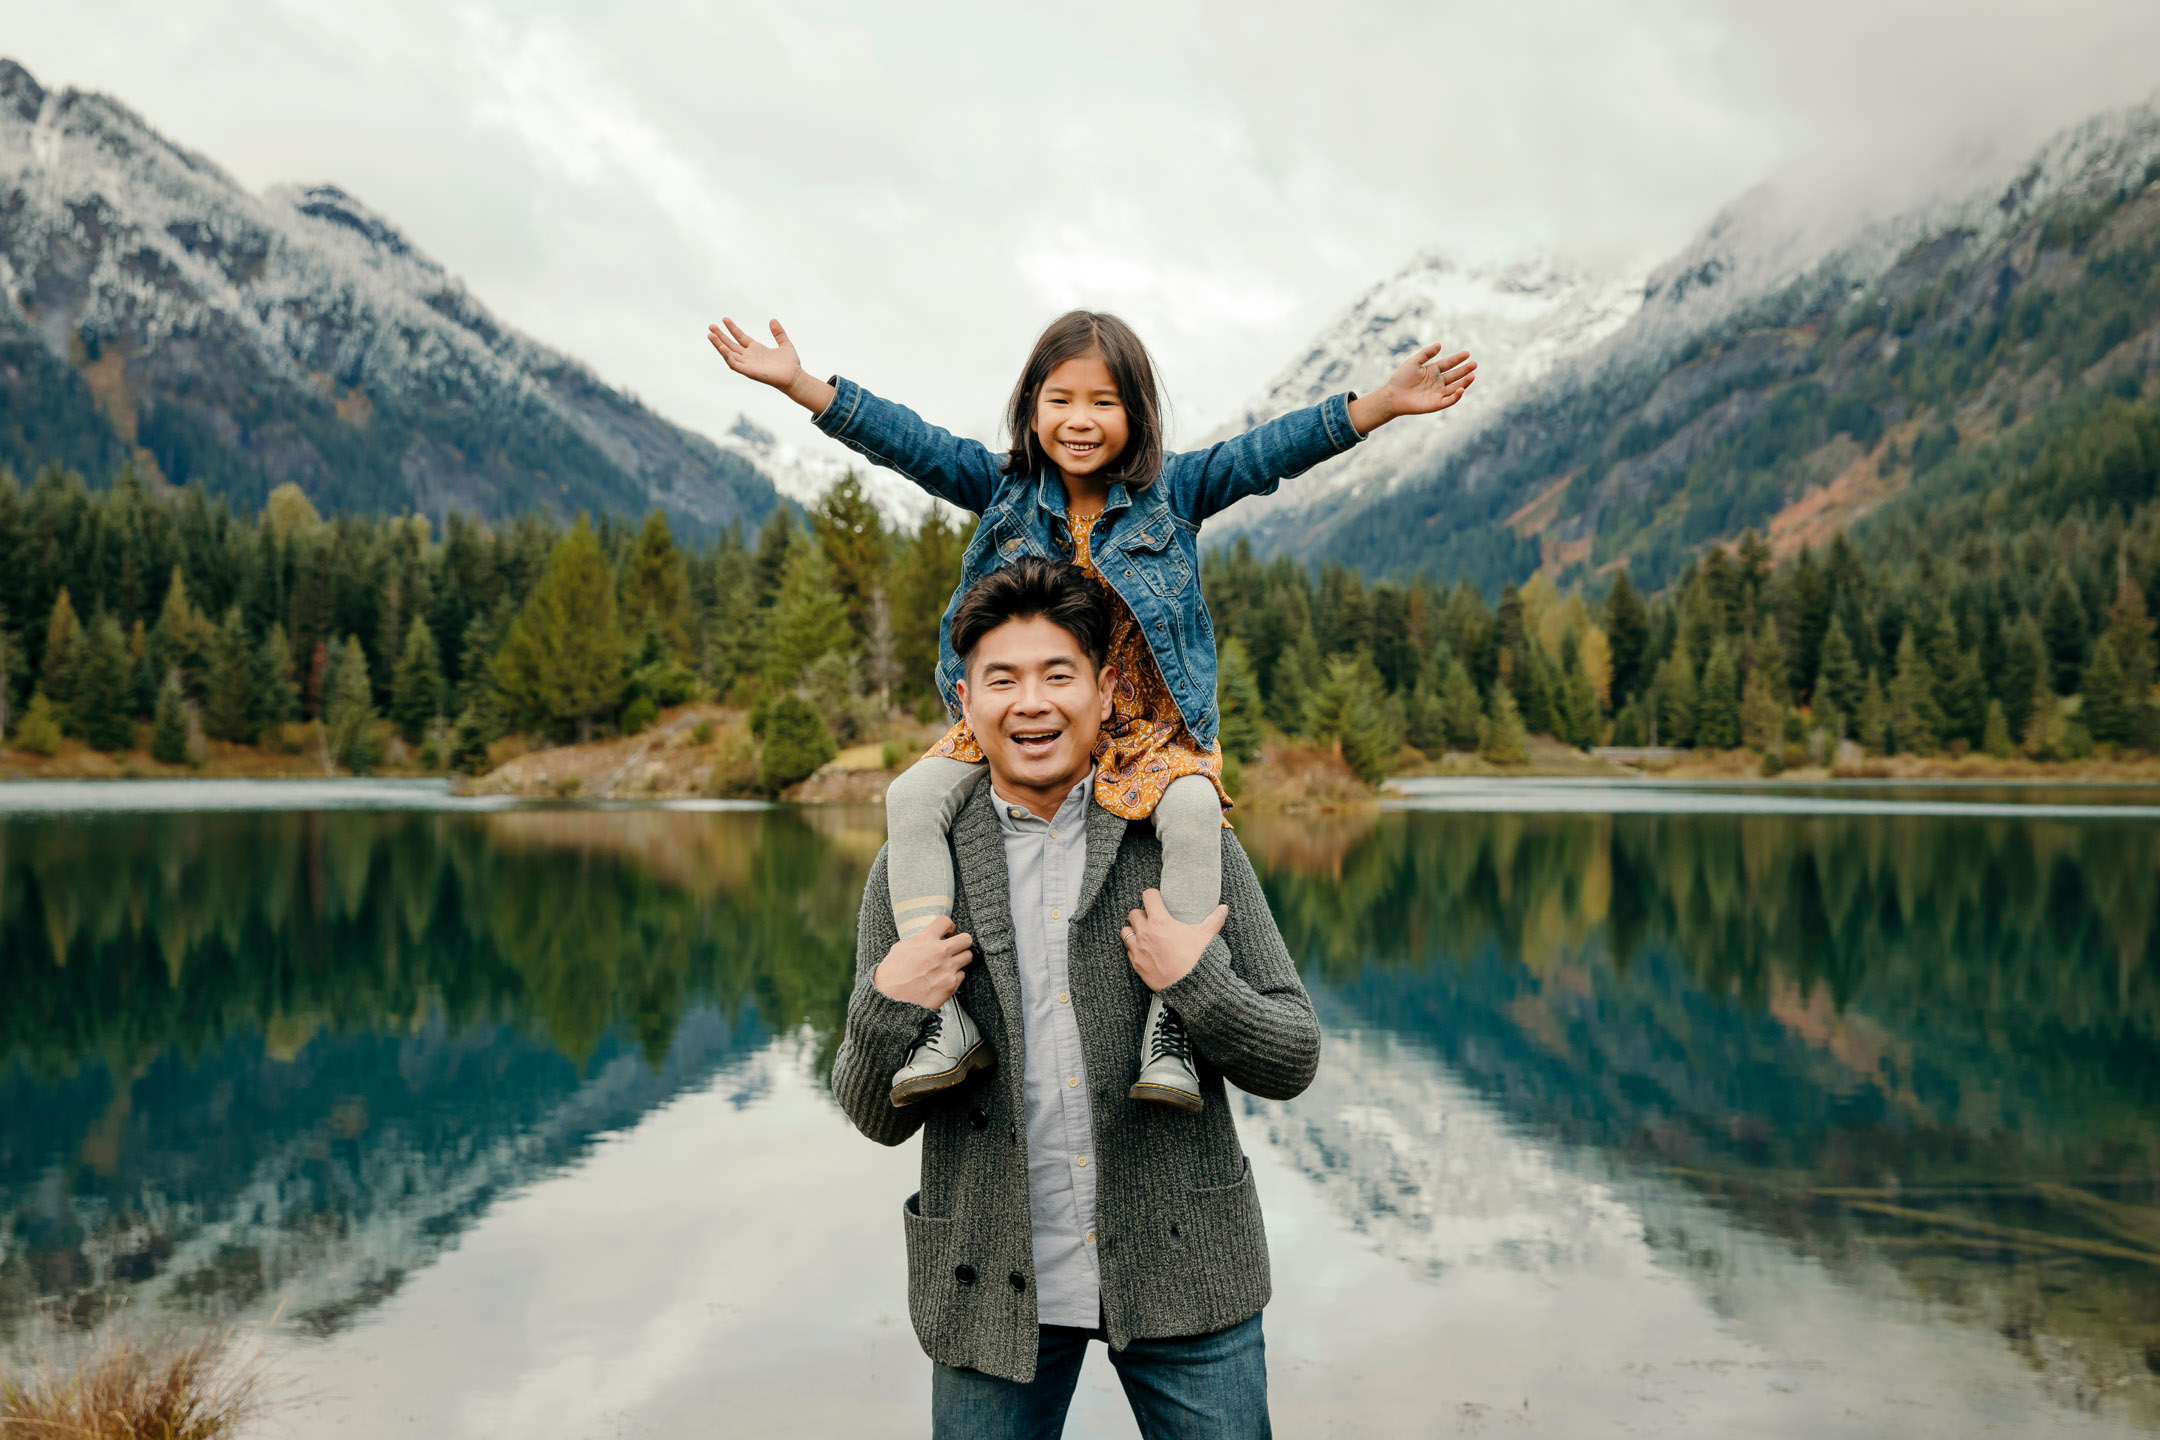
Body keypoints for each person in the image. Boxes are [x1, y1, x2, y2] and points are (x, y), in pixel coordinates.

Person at [709, 309, 1475, 1113]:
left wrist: (1378, 405)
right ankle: (937, 1015)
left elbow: (1267, 454)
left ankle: (1170, 1023)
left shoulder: (1173, 492)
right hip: (1028, 715)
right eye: (1060, 400)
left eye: (1104, 403)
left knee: (1190, 811)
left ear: (1137, 414)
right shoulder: (1000, 490)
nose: (1080, 421)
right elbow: (909, 443)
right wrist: (800, 384)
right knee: (909, 797)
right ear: (1031, 408)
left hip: (1147, 728)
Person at [830, 556, 1317, 1438]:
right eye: (1002, 679)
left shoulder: (1183, 843)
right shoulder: (913, 874)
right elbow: (873, 1116)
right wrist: (887, 1006)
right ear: (966, 703)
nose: (1033, 703)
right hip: (988, 1284)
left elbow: (1292, 1057)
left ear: (1104, 688)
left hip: (1188, 1270)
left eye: (1058, 674)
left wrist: (1195, 983)